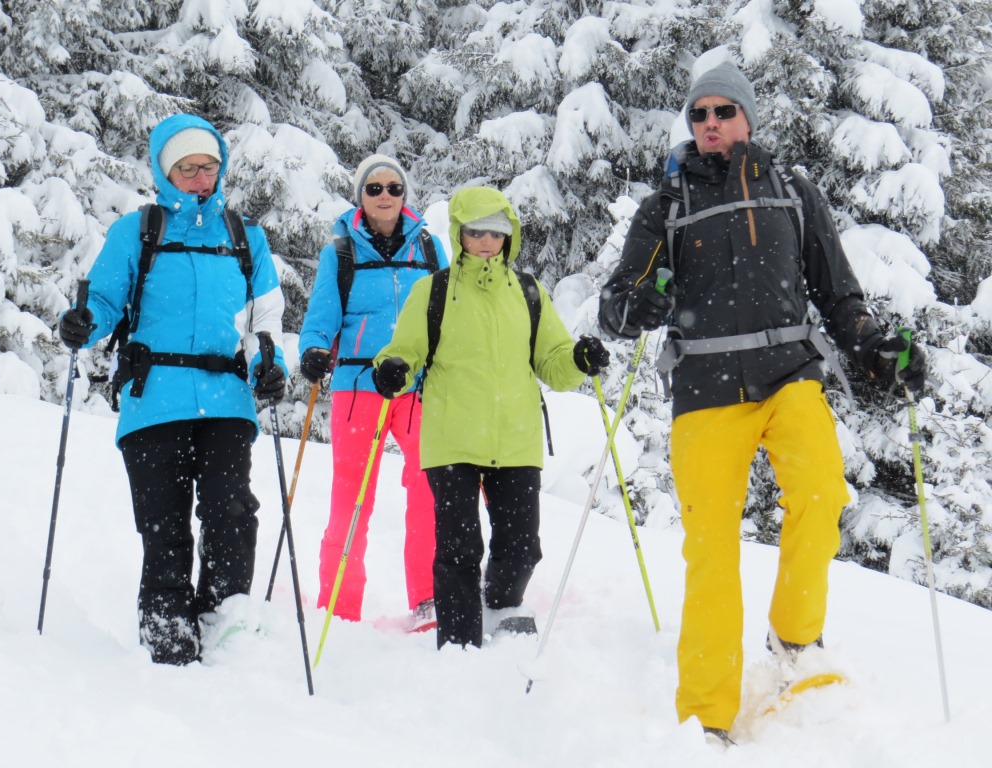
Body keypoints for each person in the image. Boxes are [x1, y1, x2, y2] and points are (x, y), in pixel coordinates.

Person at [598, 62, 926, 743]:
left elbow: (839, 293)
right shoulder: (668, 203)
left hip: (789, 373)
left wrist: (872, 344)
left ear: (747, 117)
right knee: (711, 550)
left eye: (723, 111)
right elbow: (615, 305)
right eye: (699, 115)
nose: (710, 123)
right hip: (706, 390)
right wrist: (640, 302)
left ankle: (796, 642)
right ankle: (708, 720)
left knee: (820, 492)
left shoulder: (792, 191)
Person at [58, 113, 288, 665]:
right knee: (163, 522)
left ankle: (223, 615)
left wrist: (268, 363)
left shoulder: (244, 236)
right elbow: (106, 302)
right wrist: (84, 320)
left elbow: (264, 320)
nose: (199, 177)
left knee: (231, 511)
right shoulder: (138, 231)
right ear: (165, 171)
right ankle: (167, 629)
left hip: (226, 399)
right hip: (154, 396)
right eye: (186, 167)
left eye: (207, 166)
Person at [373, 185, 610, 649]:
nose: (486, 242)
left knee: (522, 546)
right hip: (452, 438)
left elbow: (553, 362)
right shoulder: (434, 291)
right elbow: (403, 354)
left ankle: (500, 607)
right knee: (459, 549)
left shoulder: (528, 292)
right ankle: (459, 640)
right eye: (476, 231)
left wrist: (578, 360)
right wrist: (391, 371)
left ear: (509, 236)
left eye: (496, 233)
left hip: (515, 438)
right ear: (460, 234)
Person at [298, 154, 448, 630]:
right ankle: (338, 607)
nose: (385, 196)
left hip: (417, 385)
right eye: (375, 188)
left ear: (405, 195)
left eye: (394, 188)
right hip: (360, 385)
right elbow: (321, 315)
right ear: (360, 195)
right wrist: (316, 350)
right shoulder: (341, 252)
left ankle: (428, 598)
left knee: (428, 491)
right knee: (351, 499)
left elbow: (448, 310)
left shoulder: (428, 247)